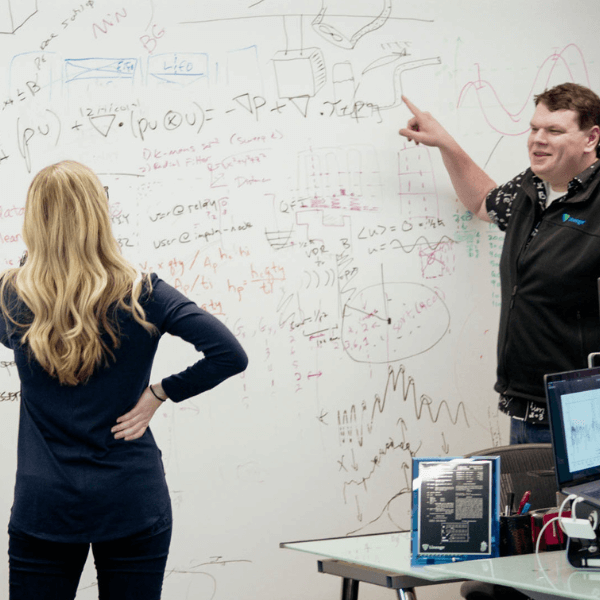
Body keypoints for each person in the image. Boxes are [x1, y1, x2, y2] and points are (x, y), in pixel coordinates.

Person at [0, 160, 249, 600]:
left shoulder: (12, 295)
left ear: (33, 220)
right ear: (101, 213)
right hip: (130, 498)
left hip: (46, 504)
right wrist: (160, 393)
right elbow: (228, 353)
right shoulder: (142, 292)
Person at [399, 82, 600, 444]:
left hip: (584, 413)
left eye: (554, 131)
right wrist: (446, 143)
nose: (538, 139)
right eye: (534, 128)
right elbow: (482, 201)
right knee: (532, 503)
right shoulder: (532, 188)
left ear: (591, 139)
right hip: (524, 404)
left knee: (580, 503)